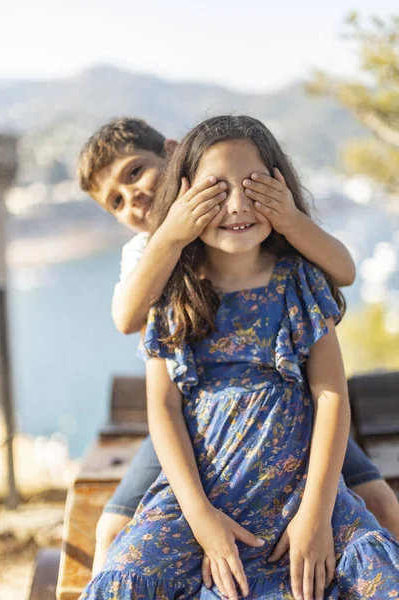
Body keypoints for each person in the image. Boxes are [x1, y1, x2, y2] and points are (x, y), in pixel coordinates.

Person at [80, 115, 399, 600]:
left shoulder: (297, 277)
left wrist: (314, 513)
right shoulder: (157, 271)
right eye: (115, 201)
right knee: (118, 542)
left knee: (377, 506)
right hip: (203, 446)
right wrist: (171, 234)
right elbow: (141, 350)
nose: (234, 206)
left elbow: (330, 390)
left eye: (251, 188)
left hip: (296, 439)